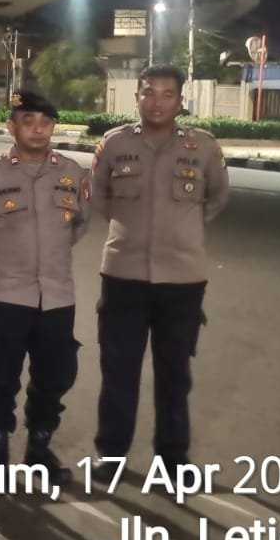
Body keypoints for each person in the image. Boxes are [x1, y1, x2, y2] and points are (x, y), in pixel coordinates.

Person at [91, 64, 230, 468]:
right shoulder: (114, 144)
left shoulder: (203, 147)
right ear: (136, 97)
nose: (157, 102)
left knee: (175, 374)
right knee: (119, 372)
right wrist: (129, 228)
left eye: (168, 95)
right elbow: (99, 194)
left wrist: (183, 231)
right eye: (149, 93)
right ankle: (111, 455)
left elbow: (218, 196)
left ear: (180, 101)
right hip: (123, 275)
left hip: (182, 280)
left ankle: (173, 459)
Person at [0, 90, 90, 481]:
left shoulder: (71, 172)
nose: (38, 129)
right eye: (28, 121)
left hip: (58, 295)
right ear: (12, 126)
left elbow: (81, 223)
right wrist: (2, 264)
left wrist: (52, 257)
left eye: (45, 122)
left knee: (54, 377)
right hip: (9, 294)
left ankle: (39, 447)